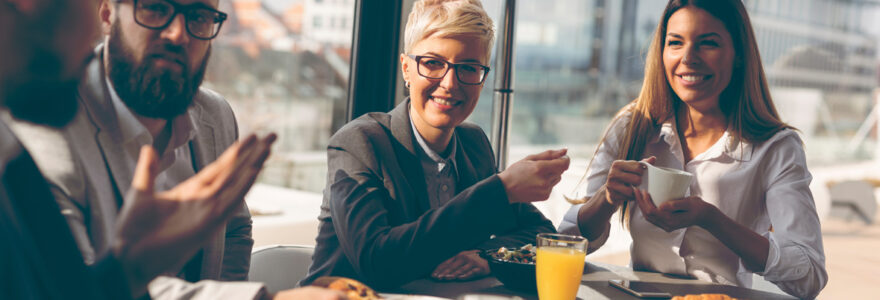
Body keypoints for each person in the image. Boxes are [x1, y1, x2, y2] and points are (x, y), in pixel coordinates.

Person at [1, 0, 345, 299]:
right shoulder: (38, 139)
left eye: (199, 15)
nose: (178, 34)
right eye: (154, 7)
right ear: (107, 14)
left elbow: (235, 230)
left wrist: (132, 268)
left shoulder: (216, 115)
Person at [558, 0, 827, 299]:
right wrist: (605, 200)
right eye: (675, 43)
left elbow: (809, 276)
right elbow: (561, 244)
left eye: (707, 43)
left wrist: (711, 219)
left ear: (739, 54)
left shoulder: (776, 147)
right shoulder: (632, 127)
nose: (688, 58)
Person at [303, 0, 569, 289]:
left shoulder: (474, 144)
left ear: (483, 78)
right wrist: (500, 190)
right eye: (432, 63)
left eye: (468, 68)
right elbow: (377, 261)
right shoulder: (359, 143)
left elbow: (540, 231)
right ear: (406, 68)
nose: (450, 83)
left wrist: (485, 255)